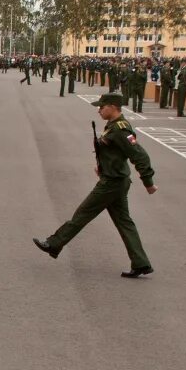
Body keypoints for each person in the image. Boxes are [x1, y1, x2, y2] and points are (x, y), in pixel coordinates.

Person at [34, 93, 157, 278]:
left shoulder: (121, 129)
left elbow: (139, 155)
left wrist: (148, 182)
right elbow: (114, 153)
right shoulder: (113, 127)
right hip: (115, 179)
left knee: (82, 213)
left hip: (112, 183)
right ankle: (141, 263)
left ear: (114, 107)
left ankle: (54, 243)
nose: (99, 110)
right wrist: (102, 166)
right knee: (125, 223)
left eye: (102, 106)